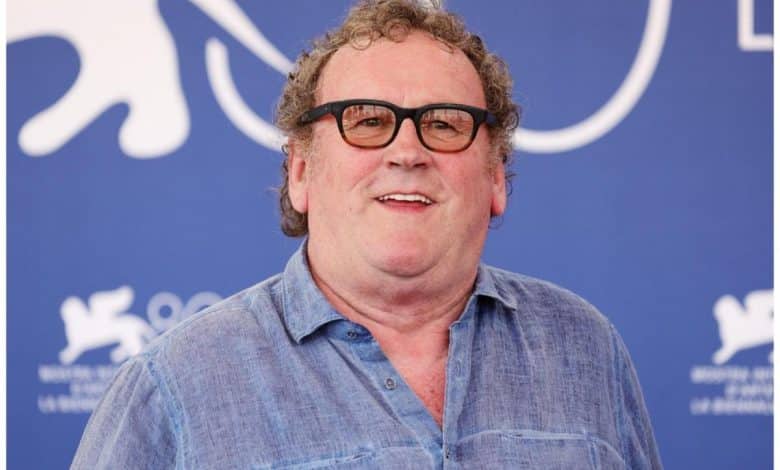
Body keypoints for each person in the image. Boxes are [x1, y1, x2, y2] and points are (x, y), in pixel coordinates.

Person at [72, 0, 662, 468]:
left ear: (496, 177)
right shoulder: (173, 388)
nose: (408, 150)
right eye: (369, 121)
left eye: (445, 124)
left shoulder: (586, 349)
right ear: (301, 172)